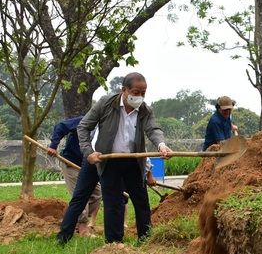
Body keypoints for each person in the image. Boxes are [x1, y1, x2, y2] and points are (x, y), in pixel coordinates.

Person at [77, 72, 172, 243]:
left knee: (141, 201)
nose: (140, 97)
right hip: (110, 160)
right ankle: (114, 243)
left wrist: (161, 145)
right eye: (136, 92)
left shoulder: (145, 110)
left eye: (143, 93)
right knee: (113, 203)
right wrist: (88, 151)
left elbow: (153, 130)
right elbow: (83, 127)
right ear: (124, 90)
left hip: (134, 161)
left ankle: (145, 239)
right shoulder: (105, 104)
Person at [47, 115, 102, 237]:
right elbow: (61, 126)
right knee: (80, 196)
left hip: (88, 166)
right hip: (72, 164)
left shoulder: (107, 127)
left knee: (97, 194)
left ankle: (75, 219)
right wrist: (53, 145)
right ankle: (83, 229)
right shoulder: (85, 120)